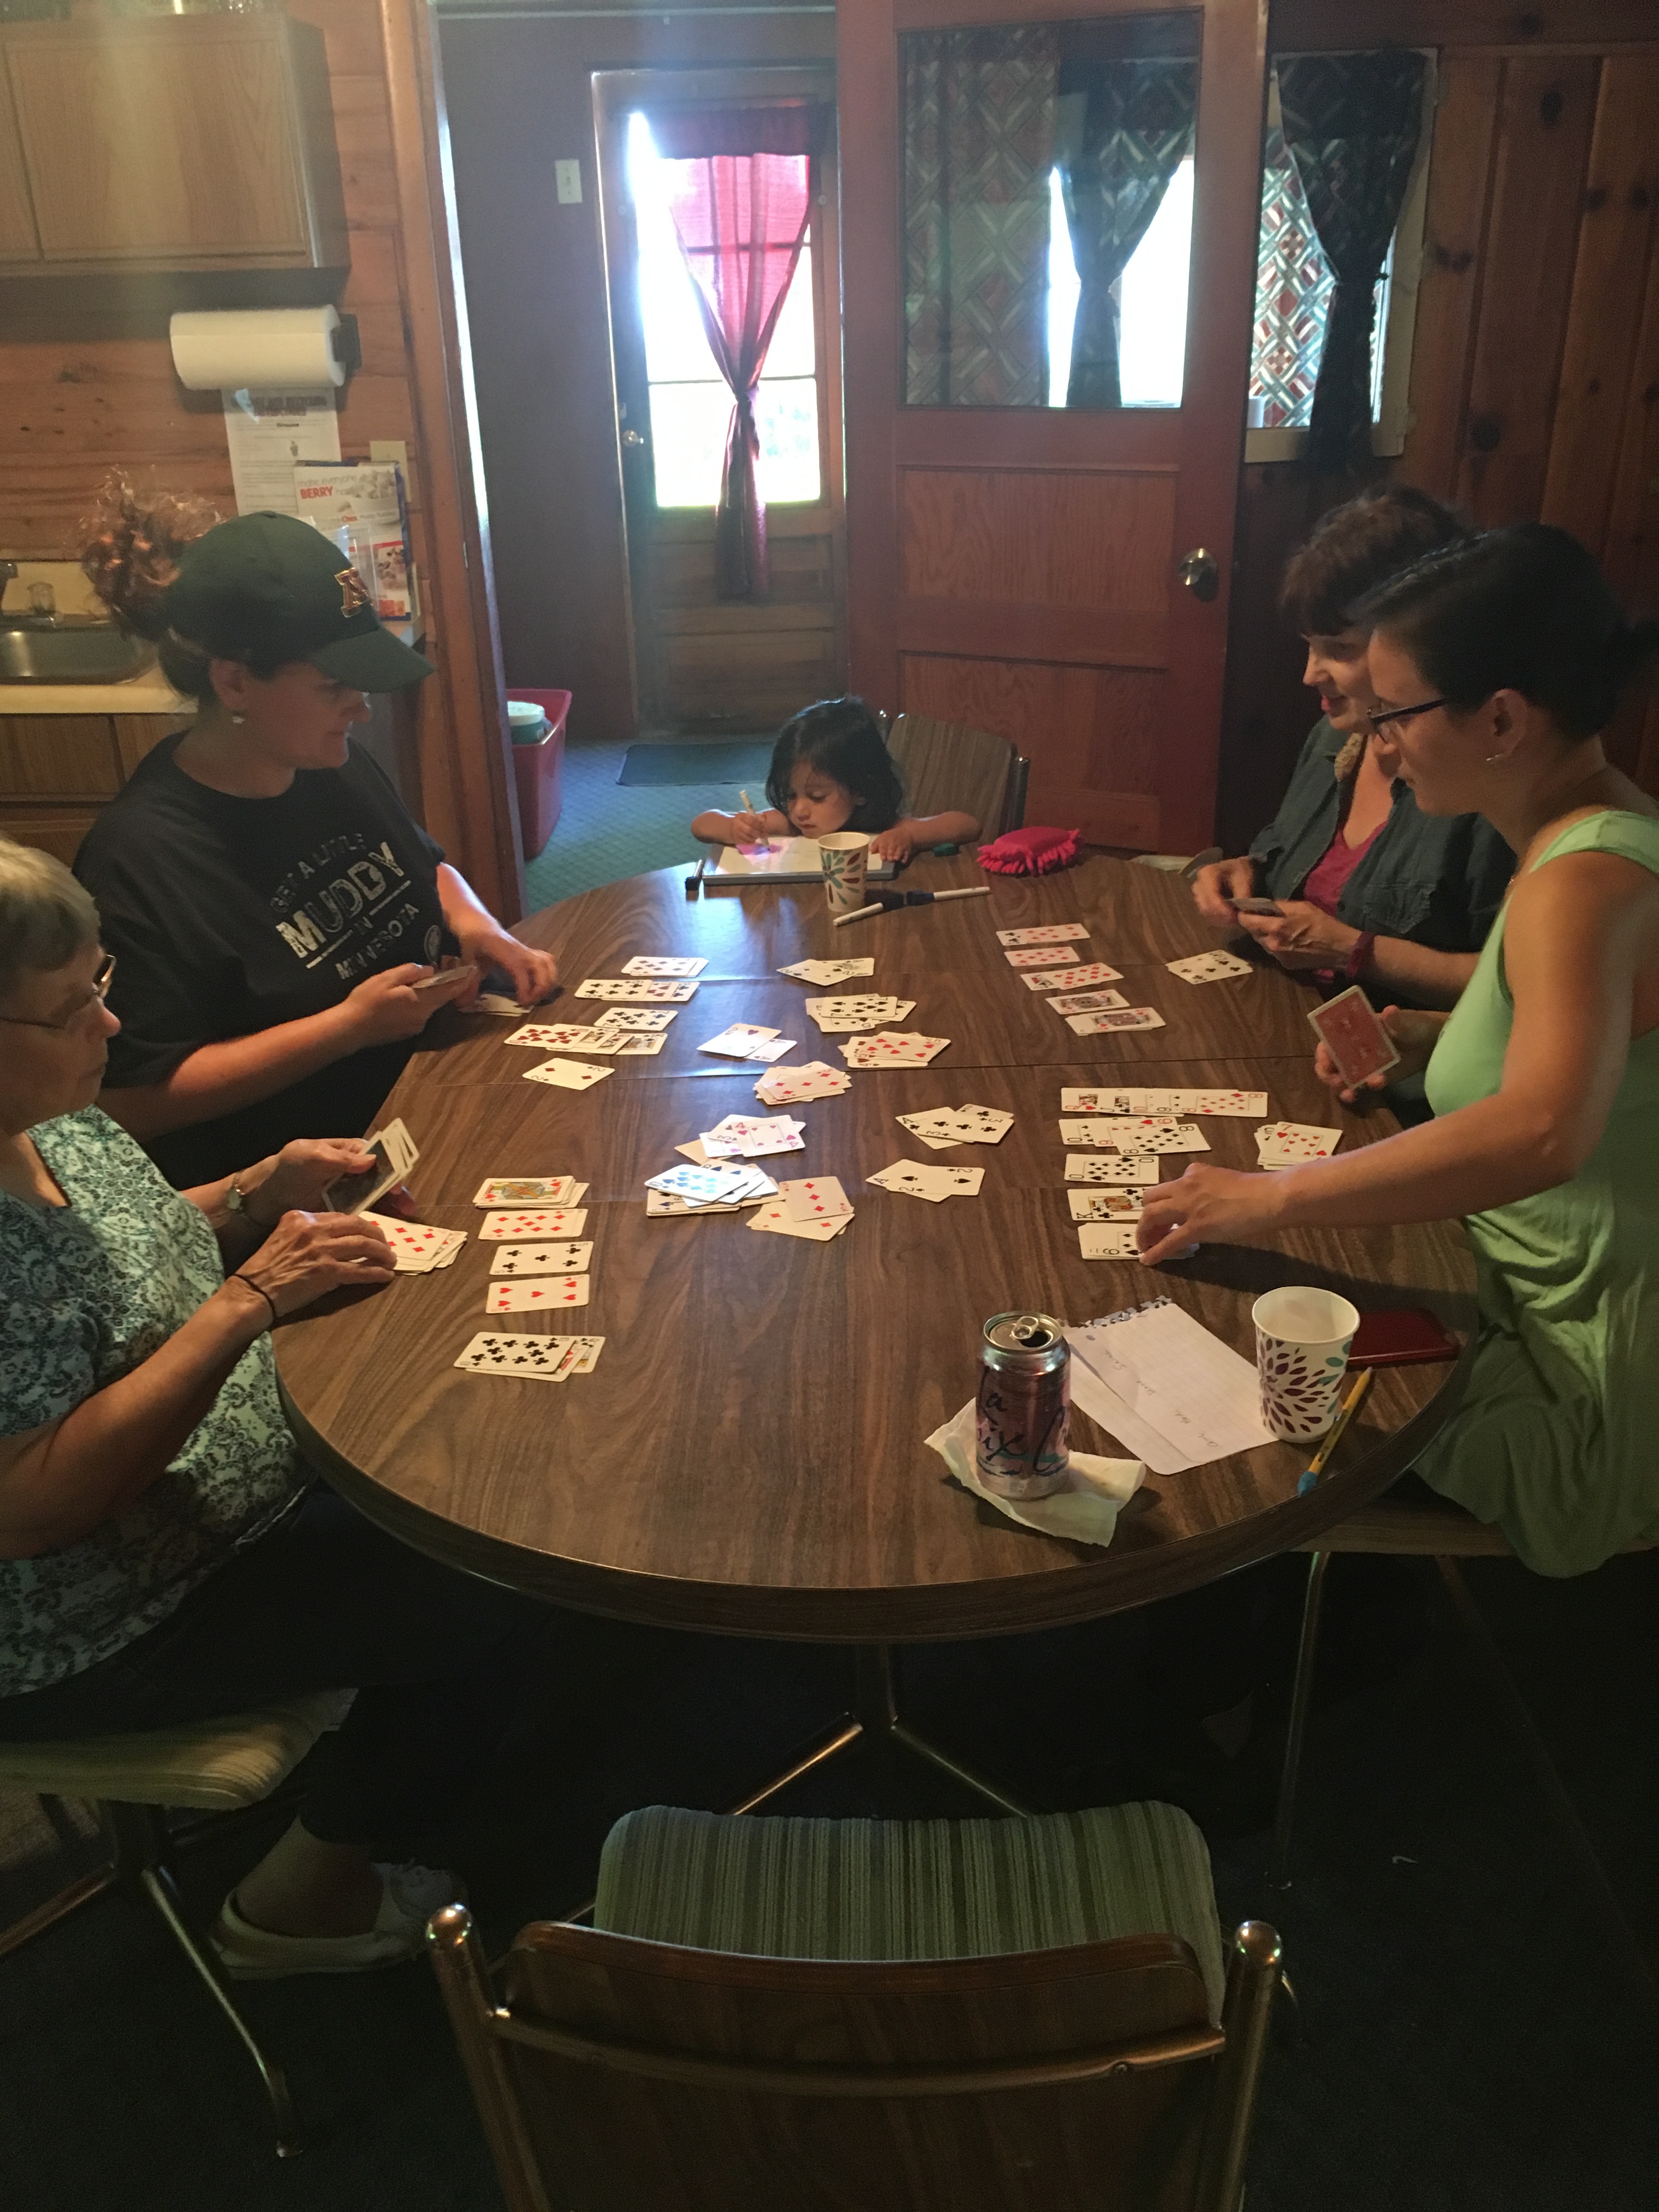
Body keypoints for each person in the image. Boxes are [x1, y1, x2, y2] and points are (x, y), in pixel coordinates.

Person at [0, 840, 560, 1974]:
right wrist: (245, 1304)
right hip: (95, 1619)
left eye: (101, 983)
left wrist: (259, 1190)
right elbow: (33, 1510)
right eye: (70, 1011)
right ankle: (305, 1895)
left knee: (499, 1452)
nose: (111, 1024)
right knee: (495, 1573)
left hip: (246, 1470)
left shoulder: (51, 1114)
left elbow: (142, 1235)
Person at [1139, 525, 1659, 1576]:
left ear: (1499, 718)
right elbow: (1583, 1059)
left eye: (1394, 715)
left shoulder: (1580, 878)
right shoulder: (1581, 836)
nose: (1375, 746)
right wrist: (1426, 1042)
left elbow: (1543, 1130)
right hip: (1502, 1278)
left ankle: (1234, 1639)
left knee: (1211, 1354)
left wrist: (1271, 1194)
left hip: (1563, 1366)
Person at [75, 485, 558, 1188]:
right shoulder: (140, 859)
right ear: (234, 683)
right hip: (298, 1189)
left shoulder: (325, 759)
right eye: (335, 687)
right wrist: (347, 1027)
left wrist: (480, 927)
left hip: (426, 1098)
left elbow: (424, 868)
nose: (362, 710)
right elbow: (126, 1104)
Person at [1192, 486, 1514, 1008]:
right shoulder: (1335, 734)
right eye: (1309, 646)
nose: (1309, 674)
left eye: (1339, 649)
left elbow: (1518, 987)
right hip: (1282, 1015)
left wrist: (1355, 951)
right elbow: (1287, 856)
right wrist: (1245, 872)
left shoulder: (1478, 775)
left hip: (1402, 1053)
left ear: (1421, 643)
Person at [691, 695, 979, 862]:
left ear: (861, 789)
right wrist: (734, 829)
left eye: (817, 797)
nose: (799, 810)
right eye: (791, 794)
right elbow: (702, 824)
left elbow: (967, 824)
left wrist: (910, 837)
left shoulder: (885, 829)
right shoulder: (789, 825)